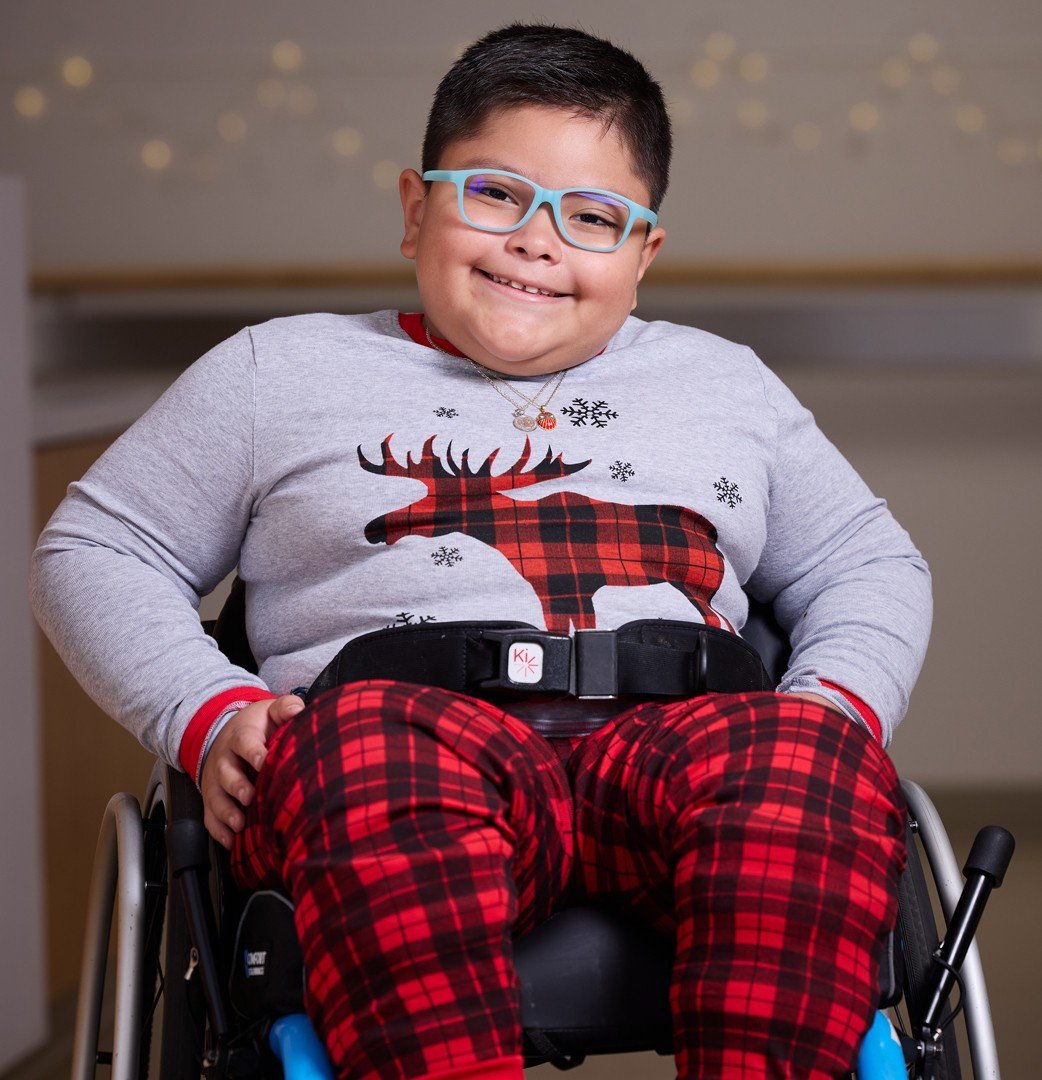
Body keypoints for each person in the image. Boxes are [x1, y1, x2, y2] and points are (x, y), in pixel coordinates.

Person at [31, 22, 931, 1080]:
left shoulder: (723, 383)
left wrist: (833, 707)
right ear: (416, 209)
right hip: (394, 758)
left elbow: (868, 565)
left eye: (593, 218)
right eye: (495, 195)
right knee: (368, 748)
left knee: (806, 757)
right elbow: (96, 546)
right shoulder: (277, 373)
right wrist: (203, 707)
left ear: (643, 257)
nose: (536, 243)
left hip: (678, 749)